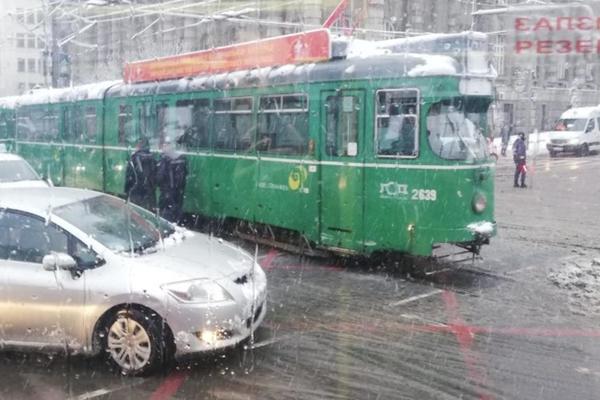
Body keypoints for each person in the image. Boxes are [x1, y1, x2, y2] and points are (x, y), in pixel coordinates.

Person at [157, 136, 188, 224]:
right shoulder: (180, 158)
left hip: (167, 191)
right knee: (176, 209)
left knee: (166, 213)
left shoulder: (165, 159)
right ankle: (177, 224)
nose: (163, 148)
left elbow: (160, 176)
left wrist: (159, 184)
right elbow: (185, 174)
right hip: (178, 191)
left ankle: (166, 227)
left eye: (164, 145)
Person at [124, 137, 157, 210]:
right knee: (148, 213)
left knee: (136, 213)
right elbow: (156, 177)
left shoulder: (133, 158)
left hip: (136, 191)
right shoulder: (153, 158)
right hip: (149, 192)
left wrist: (126, 192)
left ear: (138, 146)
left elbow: (129, 177)